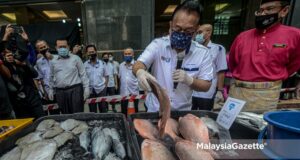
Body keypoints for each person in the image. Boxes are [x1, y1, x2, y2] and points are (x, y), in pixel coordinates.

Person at [133, 0, 213, 112]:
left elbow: (206, 85)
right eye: (178, 28)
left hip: (182, 112)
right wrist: (140, 72)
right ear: (171, 25)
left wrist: (189, 80)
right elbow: (138, 64)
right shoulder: (158, 45)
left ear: (196, 30)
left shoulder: (202, 53)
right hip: (155, 109)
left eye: (188, 31)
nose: (181, 34)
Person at [229, 0, 300, 111]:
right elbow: (233, 63)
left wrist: (274, 75)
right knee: (230, 126)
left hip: (268, 95)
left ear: (284, 11)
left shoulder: (295, 35)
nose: (263, 14)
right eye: (260, 11)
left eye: (269, 9)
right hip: (238, 92)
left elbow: (295, 63)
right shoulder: (242, 37)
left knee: (260, 126)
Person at [192, 24, 227, 110]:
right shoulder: (193, 48)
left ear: (209, 33)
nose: (197, 35)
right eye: (196, 33)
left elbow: (221, 71)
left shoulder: (218, 49)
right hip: (191, 91)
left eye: (200, 32)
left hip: (207, 92)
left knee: (204, 117)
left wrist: (220, 90)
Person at [49, 39, 89, 114]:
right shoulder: (53, 61)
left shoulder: (76, 58)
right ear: (56, 48)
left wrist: (86, 88)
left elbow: (83, 74)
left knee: (78, 114)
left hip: (75, 90)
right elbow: (51, 76)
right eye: (60, 47)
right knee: (65, 115)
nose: (62, 48)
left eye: (64, 46)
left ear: (68, 47)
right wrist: (51, 89)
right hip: (60, 92)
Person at [3, 49, 45, 119]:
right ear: (4, 57)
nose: (10, 57)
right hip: (19, 103)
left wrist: (22, 64)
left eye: (11, 55)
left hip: (33, 99)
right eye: (8, 56)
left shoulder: (22, 63)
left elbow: (35, 74)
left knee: (41, 120)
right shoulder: (5, 68)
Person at [35, 40, 60, 114]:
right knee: (53, 113)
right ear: (38, 50)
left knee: (63, 111)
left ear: (48, 46)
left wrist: (52, 58)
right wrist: (45, 93)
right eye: (41, 48)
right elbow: (41, 78)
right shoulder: (39, 62)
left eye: (44, 47)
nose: (43, 49)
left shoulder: (57, 58)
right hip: (49, 90)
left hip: (60, 89)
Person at [84, 45, 109, 113]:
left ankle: (104, 121)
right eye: (89, 52)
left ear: (96, 52)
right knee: (92, 110)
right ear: (87, 53)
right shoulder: (85, 65)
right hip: (90, 90)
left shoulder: (102, 63)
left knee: (103, 108)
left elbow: (106, 76)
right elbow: (84, 77)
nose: (91, 53)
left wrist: (105, 87)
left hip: (101, 90)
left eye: (92, 51)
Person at [119, 48, 139, 115]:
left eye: (129, 54)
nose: (127, 55)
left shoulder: (137, 65)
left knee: (134, 113)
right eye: (126, 54)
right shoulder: (121, 65)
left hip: (134, 94)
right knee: (124, 113)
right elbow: (120, 78)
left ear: (133, 55)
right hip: (123, 94)